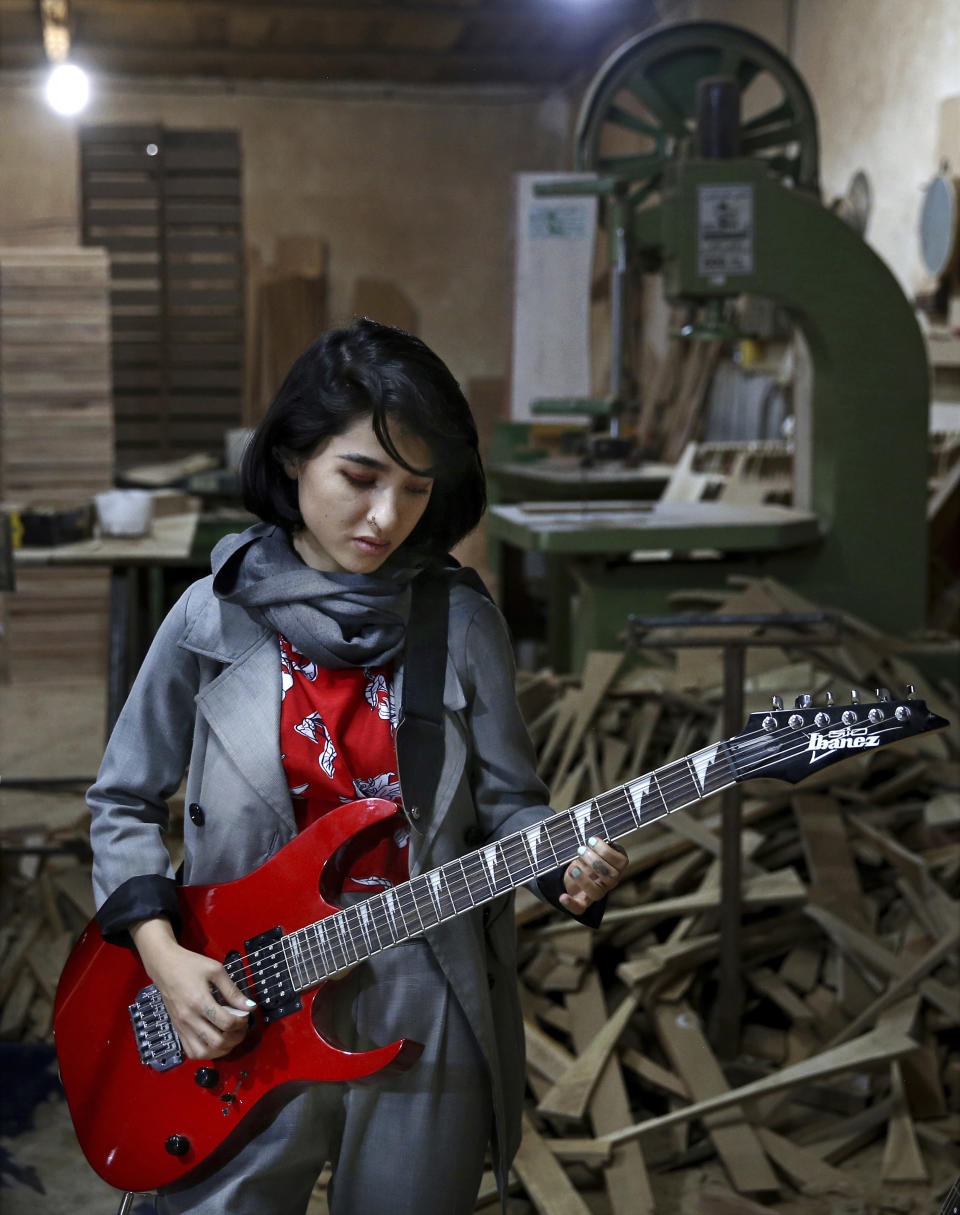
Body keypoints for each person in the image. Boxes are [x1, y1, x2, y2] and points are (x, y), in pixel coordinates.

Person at [87, 318, 628, 1215]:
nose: (388, 517)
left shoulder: (457, 622)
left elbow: (513, 807)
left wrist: (566, 862)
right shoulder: (208, 616)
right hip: (242, 985)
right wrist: (164, 960)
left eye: (416, 489)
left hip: (424, 979)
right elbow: (121, 801)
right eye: (360, 477)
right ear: (296, 456)